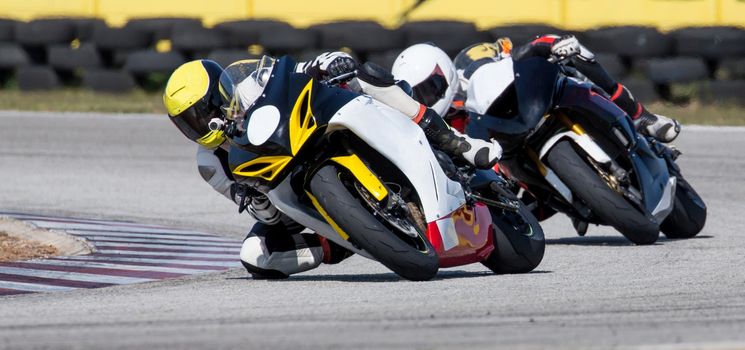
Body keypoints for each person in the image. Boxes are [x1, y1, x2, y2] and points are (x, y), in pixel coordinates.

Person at [162, 52, 502, 278]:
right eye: (189, 121)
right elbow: (273, 219)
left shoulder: (250, 86)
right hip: (298, 198)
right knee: (255, 255)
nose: (202, 123)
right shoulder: (210, 163)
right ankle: (344, 240)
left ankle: (458, 143)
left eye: (204, 110)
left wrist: (327, 63)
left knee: (364, 77)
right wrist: (257, 203)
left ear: (219, 94)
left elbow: (293, 71)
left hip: (315, 129)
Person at [453, 35, 681, 142]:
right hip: (508, 130)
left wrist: (555, 45)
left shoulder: (503, 57)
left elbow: (539, 43)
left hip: (540, 93)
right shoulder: (464, 111)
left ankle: (642, 117)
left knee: (574, 59)